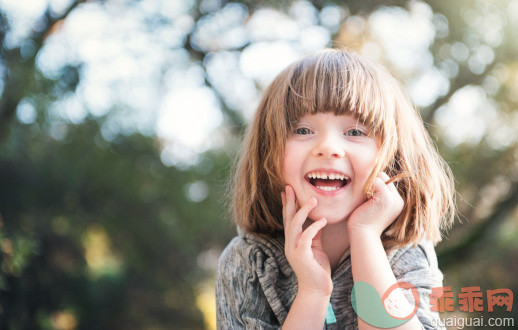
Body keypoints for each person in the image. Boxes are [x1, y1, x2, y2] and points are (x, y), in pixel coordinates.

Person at [215, 48, 455, 329]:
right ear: (266, 151)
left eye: (354, 132)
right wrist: (313, 292)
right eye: (303, 130)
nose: (328, 148)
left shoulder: (406, 253)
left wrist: (365, 236)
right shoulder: (250, 262)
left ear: (392, 157)